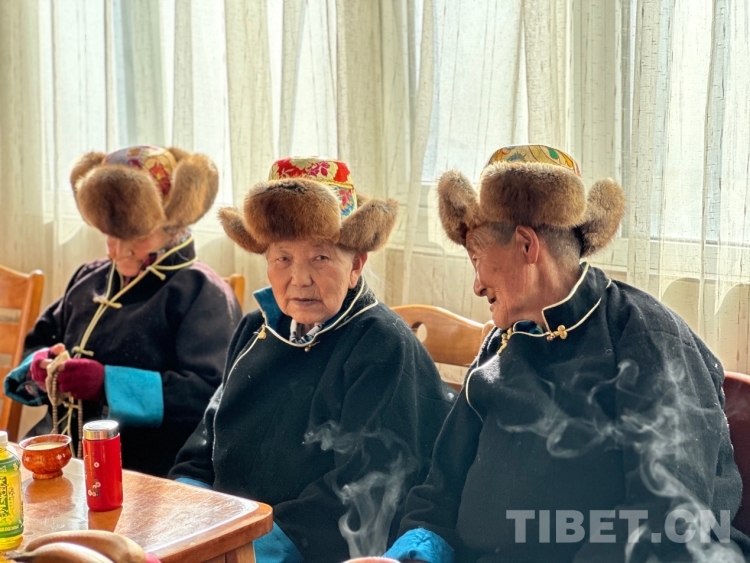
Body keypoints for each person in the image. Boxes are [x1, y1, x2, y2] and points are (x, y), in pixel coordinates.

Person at [384, 145, 750, 562]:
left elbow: (667, 516)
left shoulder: (649, 337)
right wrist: (415, 554)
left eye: (477, 258)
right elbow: (440, 489)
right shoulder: (501, 343)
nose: (477, 284)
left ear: (527, 245)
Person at [170, 157, 454, 563]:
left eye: (320, 258)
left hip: (302, 550)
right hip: (222, 534)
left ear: (356, 264)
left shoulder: (380, 344)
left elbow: (364, 488)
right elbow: (205, 444)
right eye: (283, 258)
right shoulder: (256, 329)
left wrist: (244, 546)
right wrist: (187, 514)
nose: (299, 278)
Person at [5, 145, 242, 477]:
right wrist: (41, 367)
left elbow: (209, 395)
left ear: (173, 230)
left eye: (136, 237)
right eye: (110, 236)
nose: (116, 251)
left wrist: (107, 384)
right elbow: (38, 342)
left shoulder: (202, 291)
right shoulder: (89, 276)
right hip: (62, 457)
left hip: (144, 471)